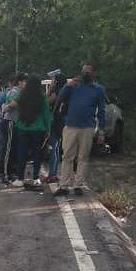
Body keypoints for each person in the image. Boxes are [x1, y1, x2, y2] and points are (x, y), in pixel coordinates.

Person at [54, 64, 106, 196]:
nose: (85, 74)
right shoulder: (73, 86)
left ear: (94, 73)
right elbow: (59, 98)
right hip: (71, 125)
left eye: (88, 72)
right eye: (84, 71)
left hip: (88, 127)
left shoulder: (98, 89)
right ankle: (64, 185)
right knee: (67, 156)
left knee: (83, 157)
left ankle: (78, 184)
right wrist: (67, 85)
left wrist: (101, 130)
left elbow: (101, 111)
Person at [12, 74, 51, 187]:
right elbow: (46, 114)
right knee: (37, 154)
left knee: (21, 153)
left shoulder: (22, 95)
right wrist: (47, 129)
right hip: (38, 128)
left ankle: (20, 178)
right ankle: (35, 178)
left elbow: (12, 102)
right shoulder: (42, 96)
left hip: (22, 127)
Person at [0, 73, 28, 183]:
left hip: (15, 122)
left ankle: (12, 172)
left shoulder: (19, 92)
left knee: (14, 149)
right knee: (9, 149)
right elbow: (9, 106)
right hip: (10, 121)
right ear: (20, 82)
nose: (26, 84)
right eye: (25, 81)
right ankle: (6, 173)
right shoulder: (15, 92)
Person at [44, 72, 67, 183]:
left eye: (52, 80)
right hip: (63, 122)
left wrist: (49, 90)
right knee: (57, 148)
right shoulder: (66, 91)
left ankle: (52, 174)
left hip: (54, 122)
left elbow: (45, 103)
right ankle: (54, 173)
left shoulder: (56, 92)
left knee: (52, 148)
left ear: (56, 81)